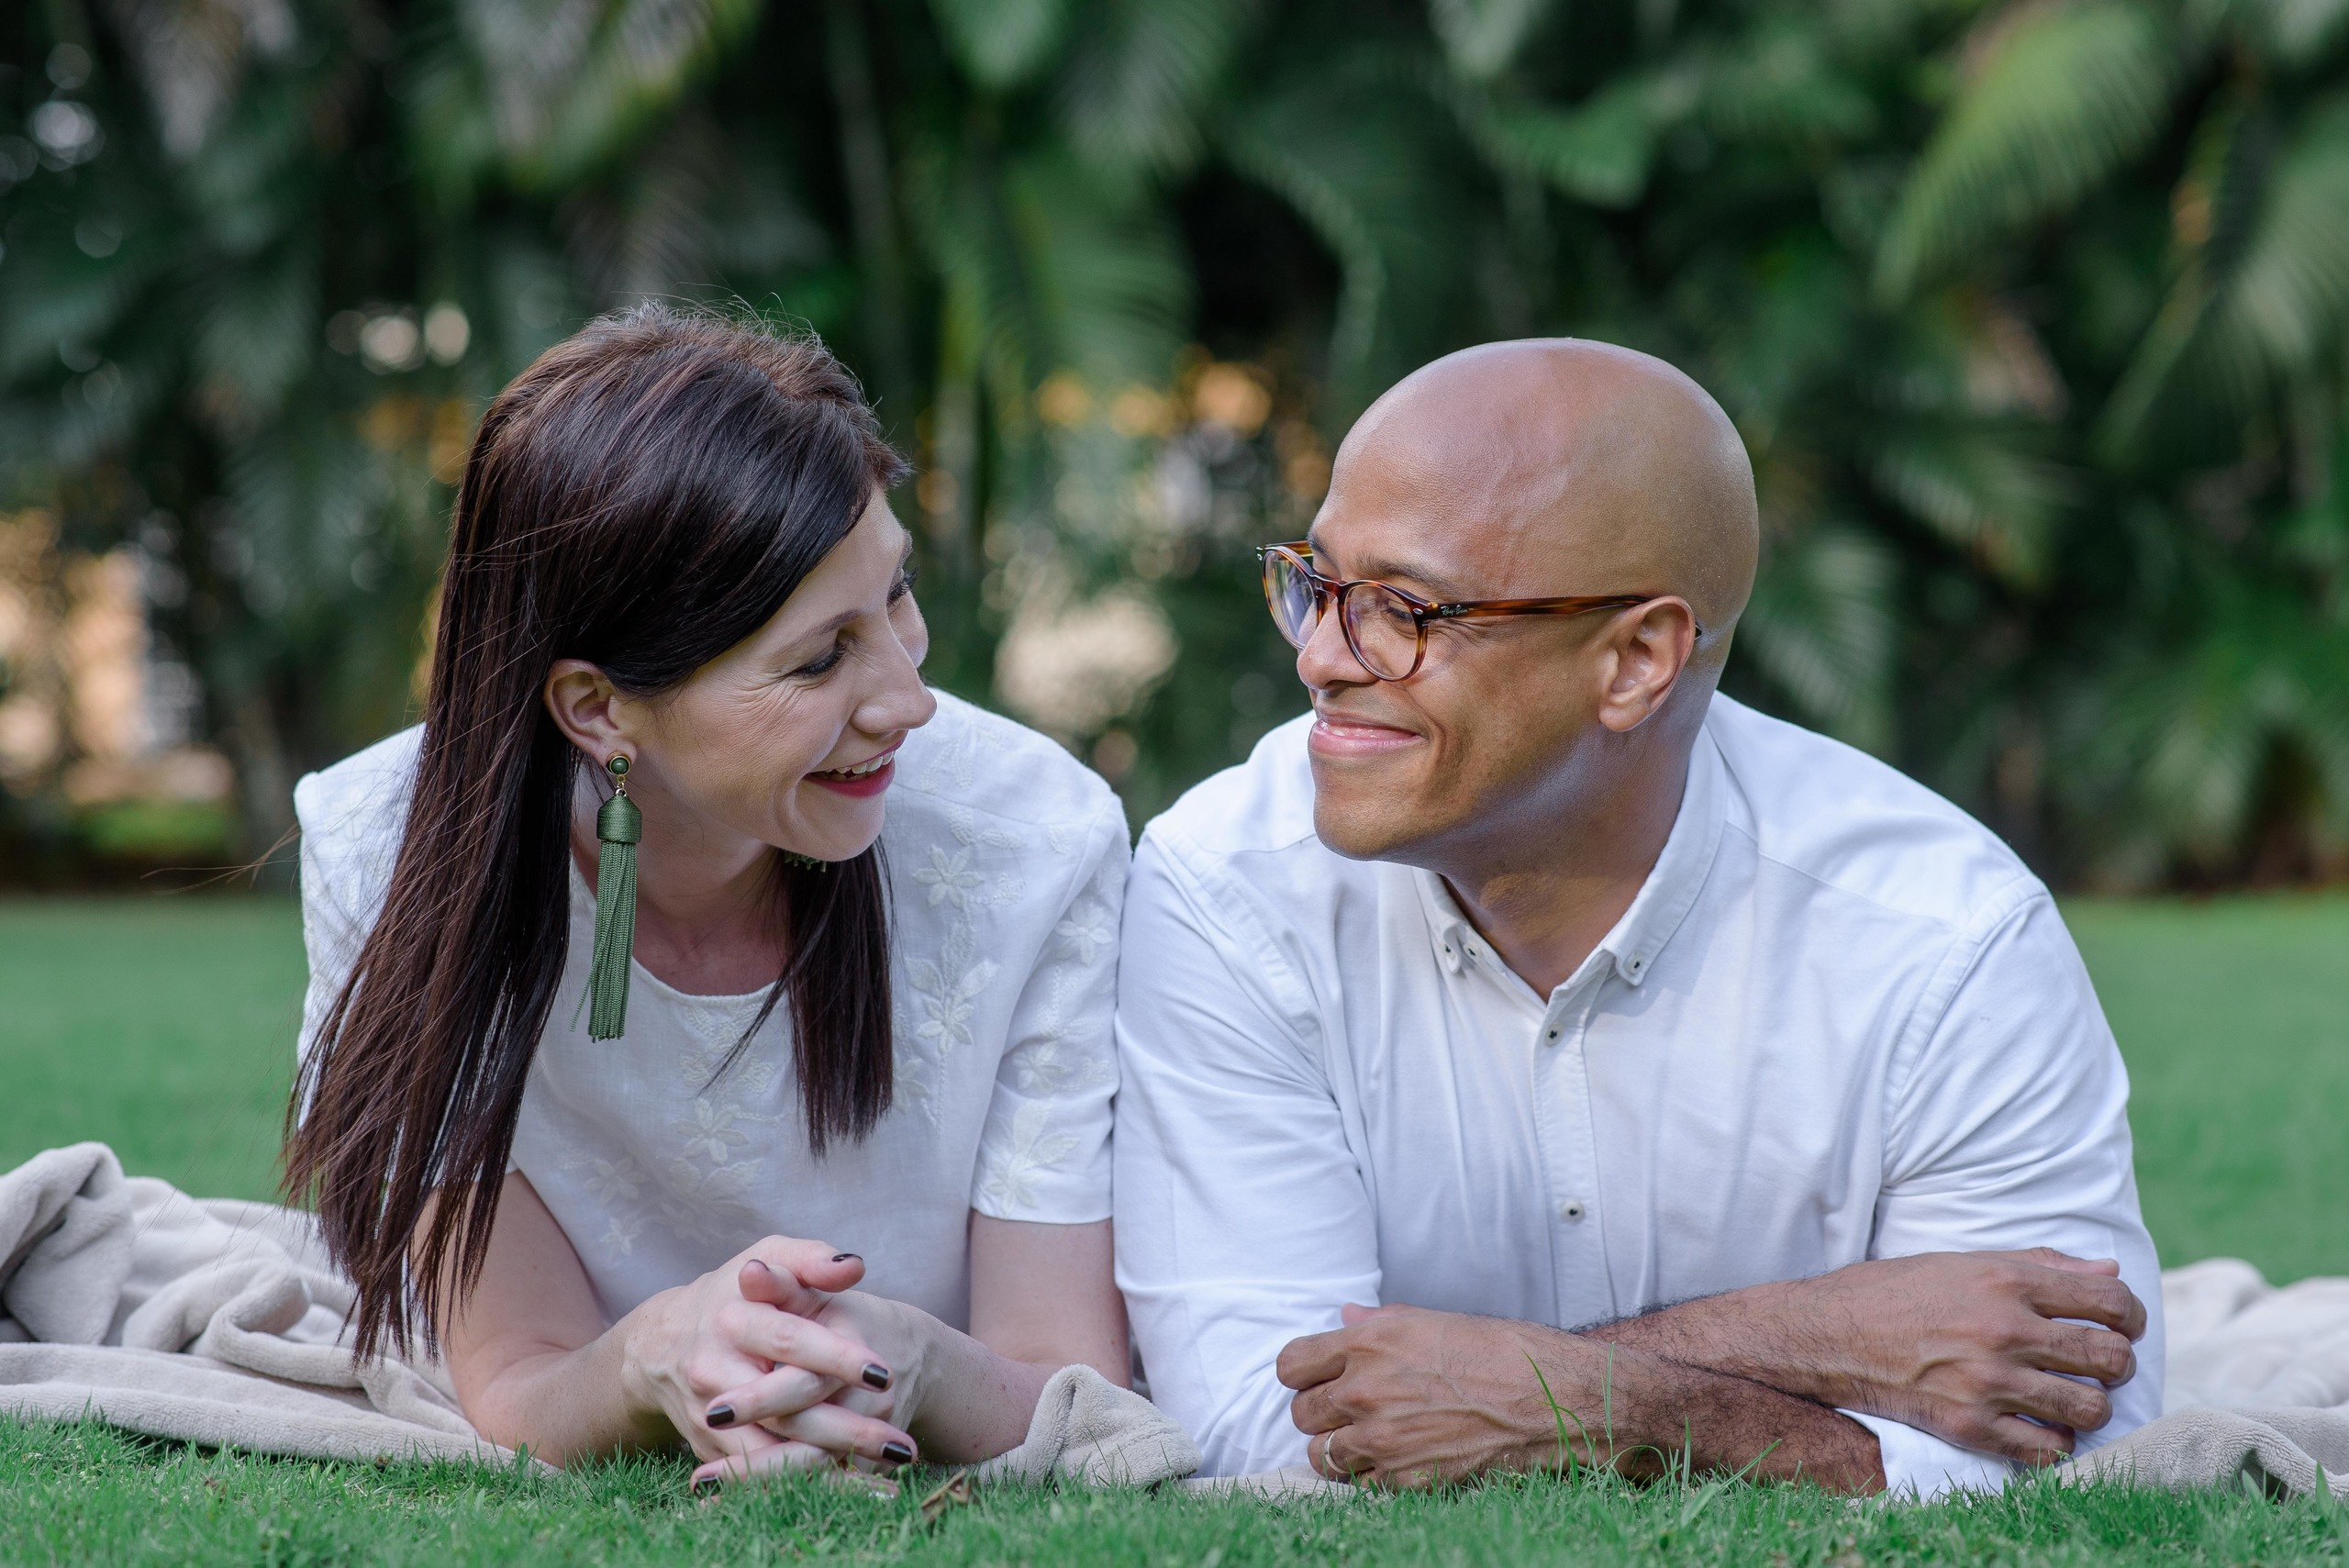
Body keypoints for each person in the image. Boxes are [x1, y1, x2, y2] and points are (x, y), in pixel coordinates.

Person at [1112, 339, 2163, 1496]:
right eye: (1313, 583)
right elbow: (1257, 1424)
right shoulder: (1226, 884)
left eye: (1400, 609)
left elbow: (2076, 1440)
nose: (1319, 655)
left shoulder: (1943, 937)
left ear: (1636, 660)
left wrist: (1532, 1395)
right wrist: (1814, 1337)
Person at [286, 305, 1130, 1490]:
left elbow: (1066, 1381)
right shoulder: (388, 855)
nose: (909, 698)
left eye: (895, 596)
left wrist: (907, 1363)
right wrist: (650, 1359)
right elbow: (518, 1370)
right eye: (820, 656)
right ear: (596, 709)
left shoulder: (1035, 842)